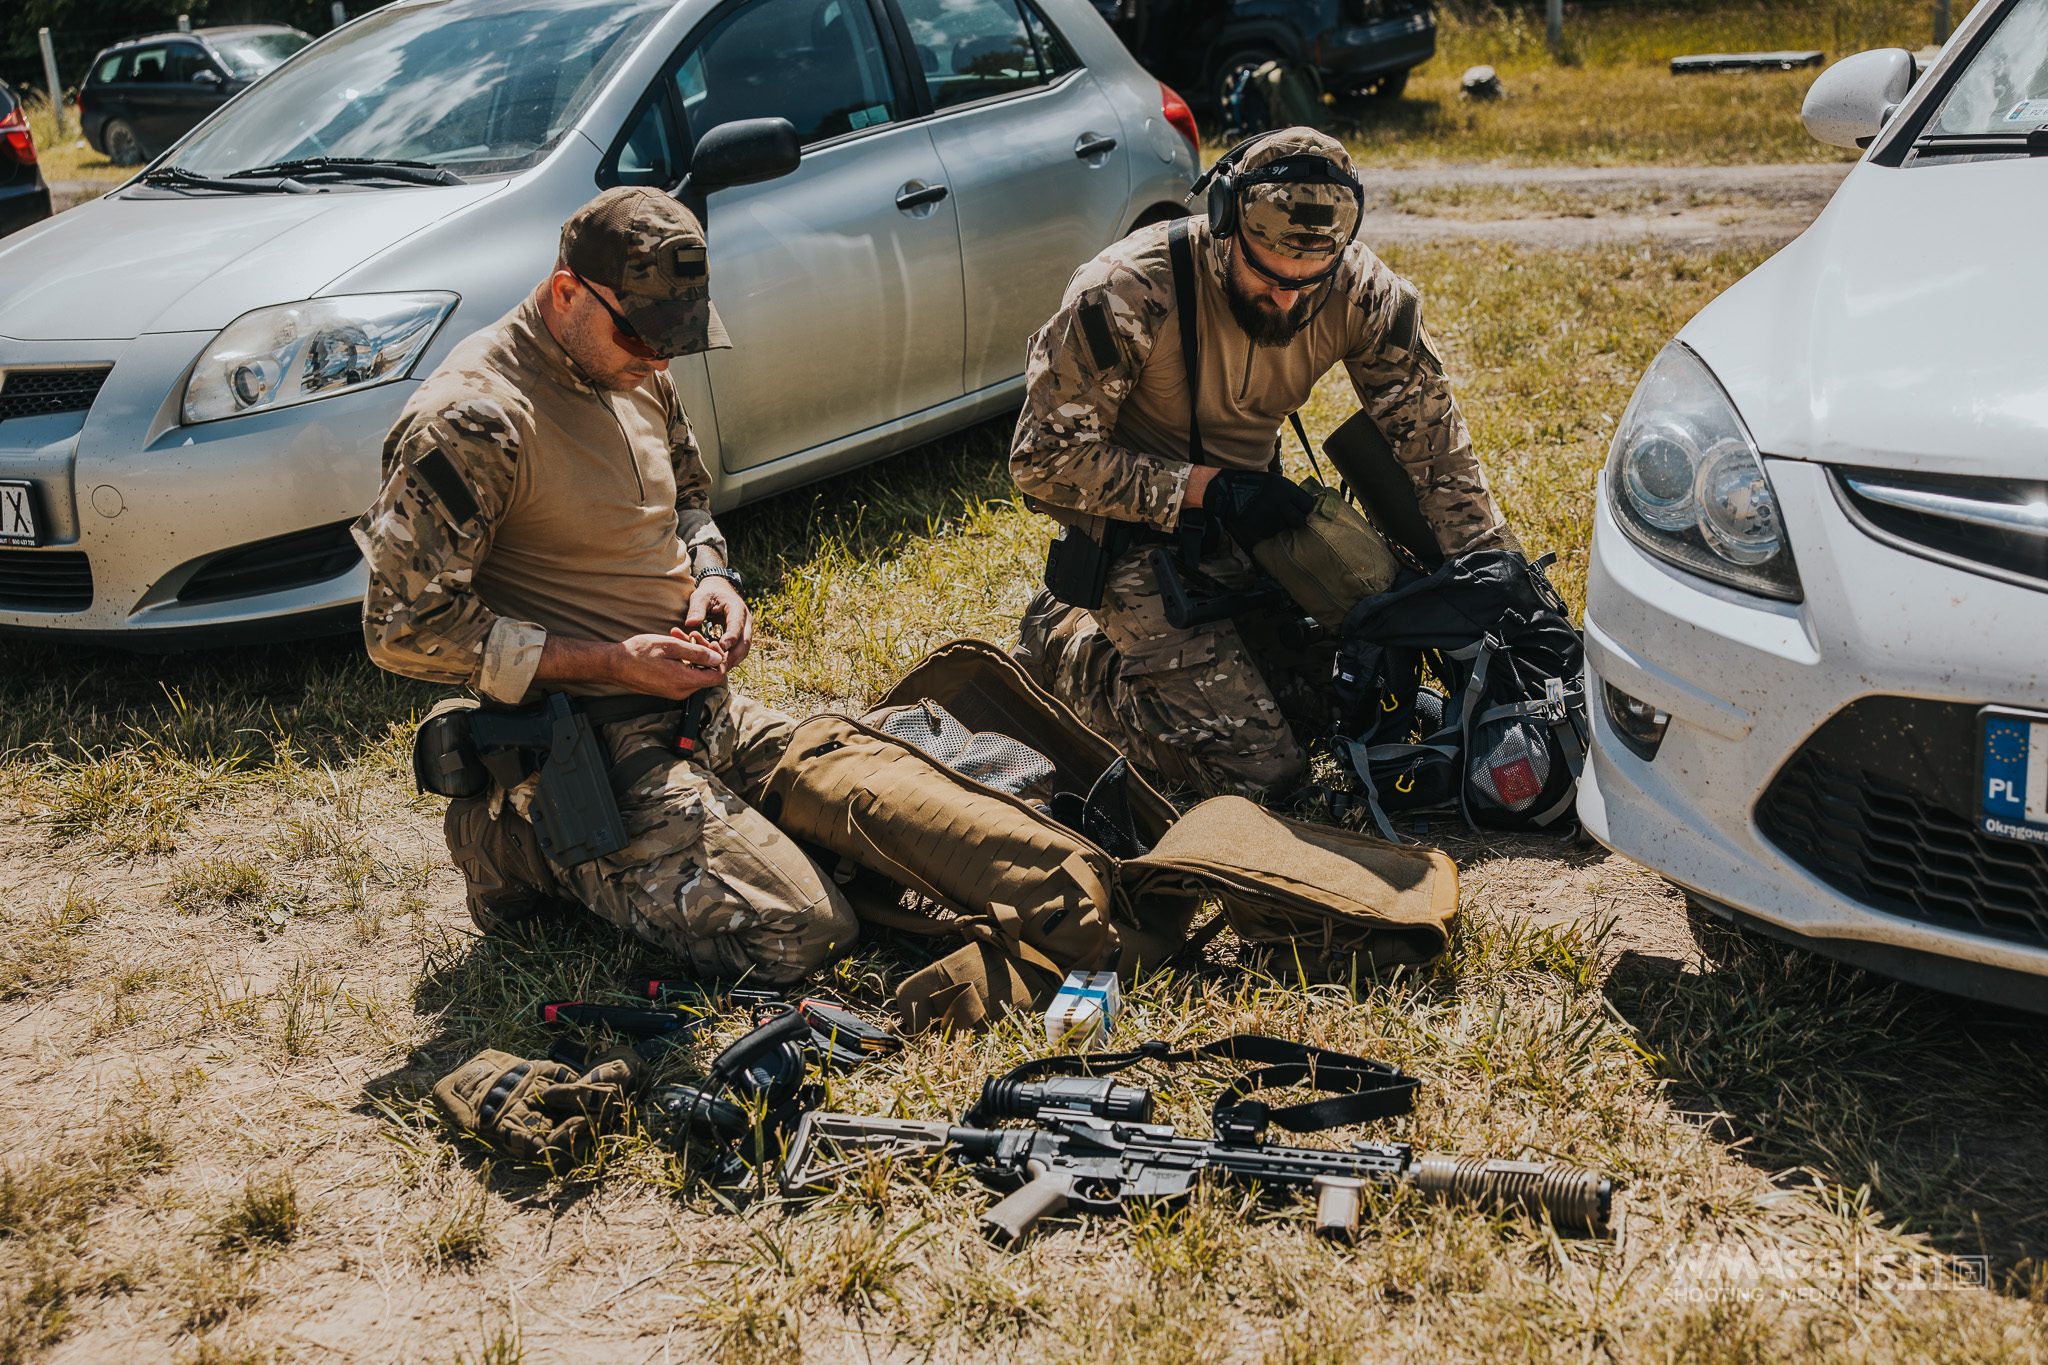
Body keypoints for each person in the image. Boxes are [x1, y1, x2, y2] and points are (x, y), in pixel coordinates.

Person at [353, 187, 857, 985]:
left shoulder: (631, 365)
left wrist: (714, 574)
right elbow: (402, 626)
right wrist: (614, 663)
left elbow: (689, 495)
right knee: (804, 932)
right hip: (581, 743)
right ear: (565, 293)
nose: (658, 360)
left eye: (673, 339)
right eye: (641, 335)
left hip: (692, 710)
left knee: (881, 842)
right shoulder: (472, 418)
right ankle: (518, 842)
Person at [1009, 127, 1517, 801]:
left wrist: (1500, 585)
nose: (1287, 301)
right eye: (1269, 277)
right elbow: (1041, 460)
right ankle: (1069, 654)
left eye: (1310, 284)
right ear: (1224, 225)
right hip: (1132, 542)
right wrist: (1203, 491)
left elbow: (1437, 454)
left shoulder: (1361, 293)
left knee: (1337, 708)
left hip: (1251, 534)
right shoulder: (1128, 292)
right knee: (1262, 773)